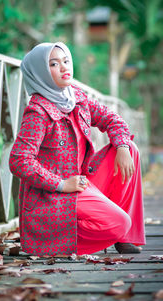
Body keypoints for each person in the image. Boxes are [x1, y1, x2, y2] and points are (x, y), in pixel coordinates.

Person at [9, 42, 145, 256]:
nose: (64, 67)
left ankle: (123, 238)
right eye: (54, 64)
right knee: (119, 222)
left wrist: (121, 145)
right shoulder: (37, 112)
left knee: (130, 148)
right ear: (40, 73)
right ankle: (48, 241)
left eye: (65, 61)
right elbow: (19, 160)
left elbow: (111, 118)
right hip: (54, 196)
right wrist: (61, 184)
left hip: (81, 181)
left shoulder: (76, 98)